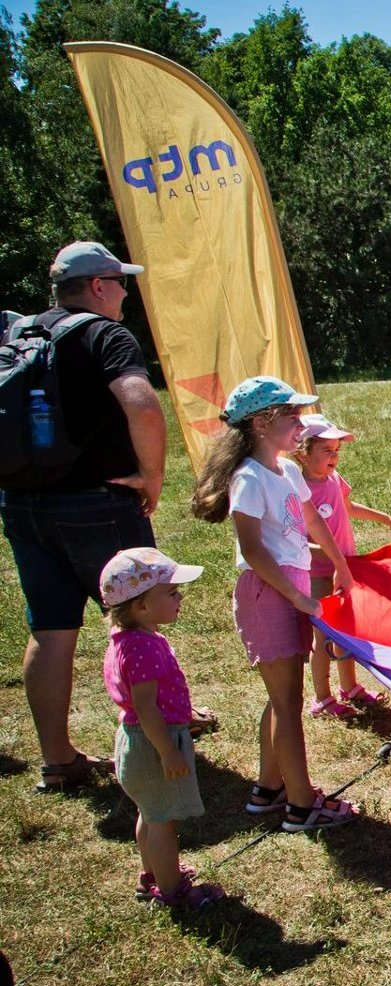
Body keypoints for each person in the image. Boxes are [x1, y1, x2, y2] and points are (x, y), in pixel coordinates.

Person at [1, 242, 177, 792]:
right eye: (120, 283)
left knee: (49, 628)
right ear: (98, 287)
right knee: (138, 615)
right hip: (97, 505)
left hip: (22, 504)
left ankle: (58, 759)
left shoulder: (22, 333)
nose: (126, 293)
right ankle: (161, 728)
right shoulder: (104, 334)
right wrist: (151, 477)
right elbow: (142, 404)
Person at [190, 376, 360, 832]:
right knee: (288, 704)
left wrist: (341, 567)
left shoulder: (286, 470)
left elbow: (312, 524)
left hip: (292, 586)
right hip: (268, 592)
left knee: (284, 696)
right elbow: (253, 551)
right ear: (263, 423)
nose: (300, 425)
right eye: (292, 416)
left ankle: (268, 790)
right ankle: (302, 806)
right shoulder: (249, 478)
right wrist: (299, 598)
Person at [97, 547, 224, 909]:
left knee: (150, 814)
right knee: (163, 820)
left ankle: (153, 874)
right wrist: (168, 751)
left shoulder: (128, 639)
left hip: (135, 739)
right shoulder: (142, 649)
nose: (178, 597)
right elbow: (145, 706)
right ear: (140, 606)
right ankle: (173, 892)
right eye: (170, 592)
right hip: (153, 743)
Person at [289, 412, 391, 719]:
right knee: (324, 635)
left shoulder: (333, 479)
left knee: (347, 630)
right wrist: (332, 558)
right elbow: (297, 541)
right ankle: (322, 699)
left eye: (337, 450)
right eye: (327, 450)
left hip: (344, 571)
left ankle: (349, 686)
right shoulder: (298, 491)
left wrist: (387, 520)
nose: (335, 457)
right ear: (302, 453)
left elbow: (349, 507)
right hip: (318, 575)